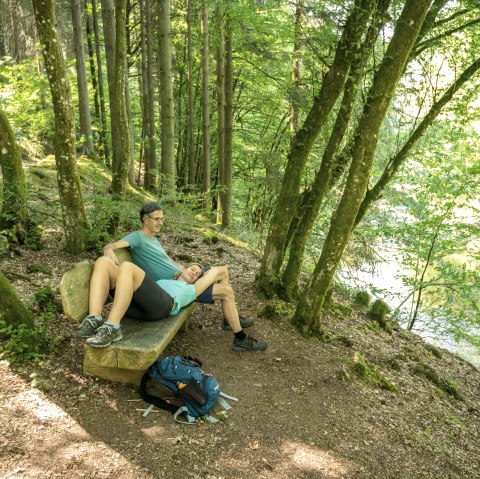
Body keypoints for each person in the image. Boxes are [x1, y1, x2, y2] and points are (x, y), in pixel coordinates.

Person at [97, 201, 268, 352]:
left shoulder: (154, 240)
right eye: (157, 219)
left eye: (162, 219)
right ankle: (238, 335)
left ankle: (229, 319)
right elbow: (115, 245)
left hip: (181, 277)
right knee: (226, 290)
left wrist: (183, 268)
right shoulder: (137, 237)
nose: (161, 223)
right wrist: (108, 249)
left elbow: (166, 259)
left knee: (223, 271)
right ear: (145, 219)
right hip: (175, 286)